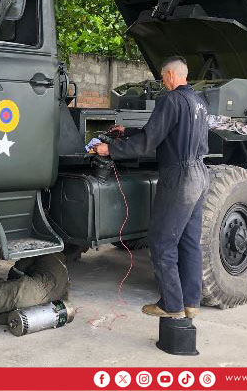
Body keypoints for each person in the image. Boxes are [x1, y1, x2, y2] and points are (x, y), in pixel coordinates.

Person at [93, 56, 209, 319]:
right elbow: (164, 133)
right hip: (200, 174)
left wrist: (110, 149)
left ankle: (172, 305)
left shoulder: (170, 99)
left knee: (162, 242)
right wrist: (127, 131)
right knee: (190, 242)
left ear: (169, 75)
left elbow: (148, 142)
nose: (162, 81)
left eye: (163, 76)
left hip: (180, 177)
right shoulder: (199, 102)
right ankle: (191, 303)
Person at [0, 253, 69, 337]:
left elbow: (17, 270)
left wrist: (10, 283)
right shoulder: (63, 270)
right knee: (3, 312)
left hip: (29, 291)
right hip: (44, 308)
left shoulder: (43, 251)